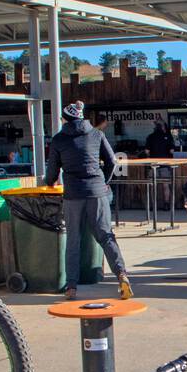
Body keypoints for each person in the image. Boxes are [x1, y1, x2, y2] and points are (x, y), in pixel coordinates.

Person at [45, 100, 132, 301]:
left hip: (73, 194)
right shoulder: (97, 134)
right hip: (97, 192)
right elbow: (112, 161)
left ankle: (72, 287)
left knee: (73, 240)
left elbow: (52, 170)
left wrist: (49, 183)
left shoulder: (59, 140)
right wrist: (104, 182)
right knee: (105, 236)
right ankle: (122, 276)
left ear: (64, 119)